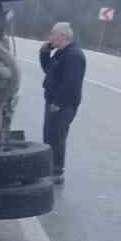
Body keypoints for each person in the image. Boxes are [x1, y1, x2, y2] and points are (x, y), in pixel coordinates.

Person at [39, 22, 86, 185]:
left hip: (63, 104)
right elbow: (49, 71)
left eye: (53, 33)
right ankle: (49, 169)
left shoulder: (74, 55)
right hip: (53, 101)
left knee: (57, 137)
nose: (50, 37)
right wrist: (44, 52)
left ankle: (57, 172)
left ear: (62, 36)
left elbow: (70, 83)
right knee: (49, 136)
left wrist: (58, 103)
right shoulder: (61, 53)